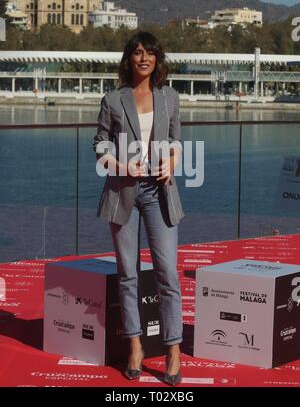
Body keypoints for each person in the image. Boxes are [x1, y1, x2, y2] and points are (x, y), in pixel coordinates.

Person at [93, 31, 184, 386]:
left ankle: (173, 350)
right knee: (128, 274)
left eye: (149, 52)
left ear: (157, 59)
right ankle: (136, 347)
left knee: (168, 275)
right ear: (128, 58)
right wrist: (117, 164)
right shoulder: (113, 99)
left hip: (161, 193)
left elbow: (176, 138)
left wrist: (173, 161)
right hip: (123, 193)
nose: (143, 58)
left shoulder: (170, 97)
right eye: (136, 52)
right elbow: (99, 143)